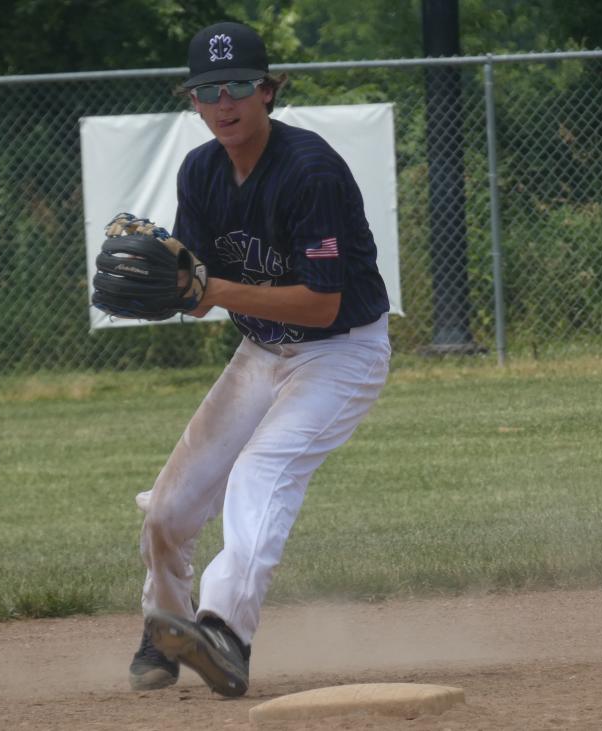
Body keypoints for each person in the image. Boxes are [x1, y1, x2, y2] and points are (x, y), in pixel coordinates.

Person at [128, 20, 391, 697]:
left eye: (239, 85)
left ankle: (226, 634)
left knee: (260, 472)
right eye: (208, 89)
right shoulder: (201, 171)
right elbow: (195, 290)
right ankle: (167, 627)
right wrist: (166, 287)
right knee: (167, 508)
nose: (225, 102)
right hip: (261, 350)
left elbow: (322, 305)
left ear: (268, 91)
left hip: (340, 353)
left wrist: (211, 290)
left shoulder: (311, 171)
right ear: (191, 100)